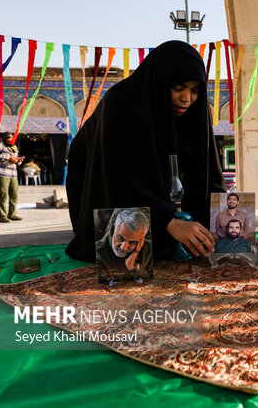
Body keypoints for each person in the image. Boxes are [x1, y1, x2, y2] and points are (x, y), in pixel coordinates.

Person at [66, 41, 225, 262]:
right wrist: (166, 220)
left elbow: (207, 169)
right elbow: (119, 177)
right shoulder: (122, 103)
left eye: (195, 90)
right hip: (117, 202)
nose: (187, 99)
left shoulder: (196, 111)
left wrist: (221, 215)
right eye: (178, 88)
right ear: (161, 81)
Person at [96, 208, 152, 281]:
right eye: (120, 238)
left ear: (141, 239)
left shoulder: (148, 250)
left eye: (132, 242)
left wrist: (132, 268)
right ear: (114, 226)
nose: (123, 248)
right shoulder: (98, 253)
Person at [0, 131, 24, 223]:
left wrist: (18, 160)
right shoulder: (0, 145)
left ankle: (12, 214)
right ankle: (2, 216)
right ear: (5, 139)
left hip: (13, 174)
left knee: (14, 194)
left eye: (11, 138)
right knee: (3, 194)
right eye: (8, 139)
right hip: (2, 173)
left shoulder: (14, 147)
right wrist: (7, 157)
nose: (10, 140)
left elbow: (16, 161)